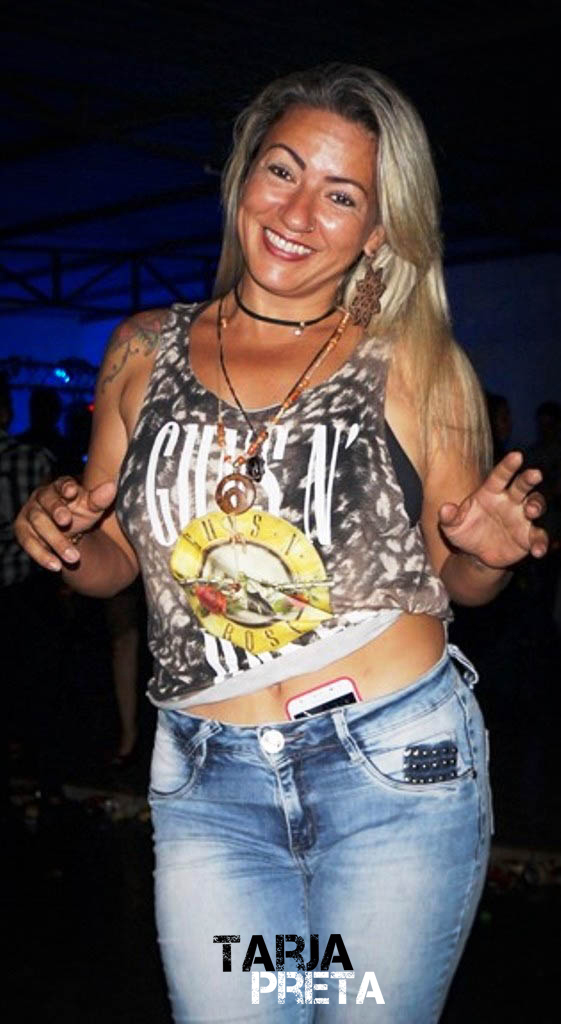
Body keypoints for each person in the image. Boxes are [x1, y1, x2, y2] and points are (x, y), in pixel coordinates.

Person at [15, 64, 548, 1022]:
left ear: (377, 230)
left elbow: (460, 583)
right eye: (282, 170)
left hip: (389, 771)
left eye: (340, 195)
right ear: (242, 176)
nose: (298, 212)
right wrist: (67, 539)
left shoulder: (416, 360)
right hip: (208, 781)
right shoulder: (141, 348)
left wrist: (487, 555)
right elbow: (116, 563)